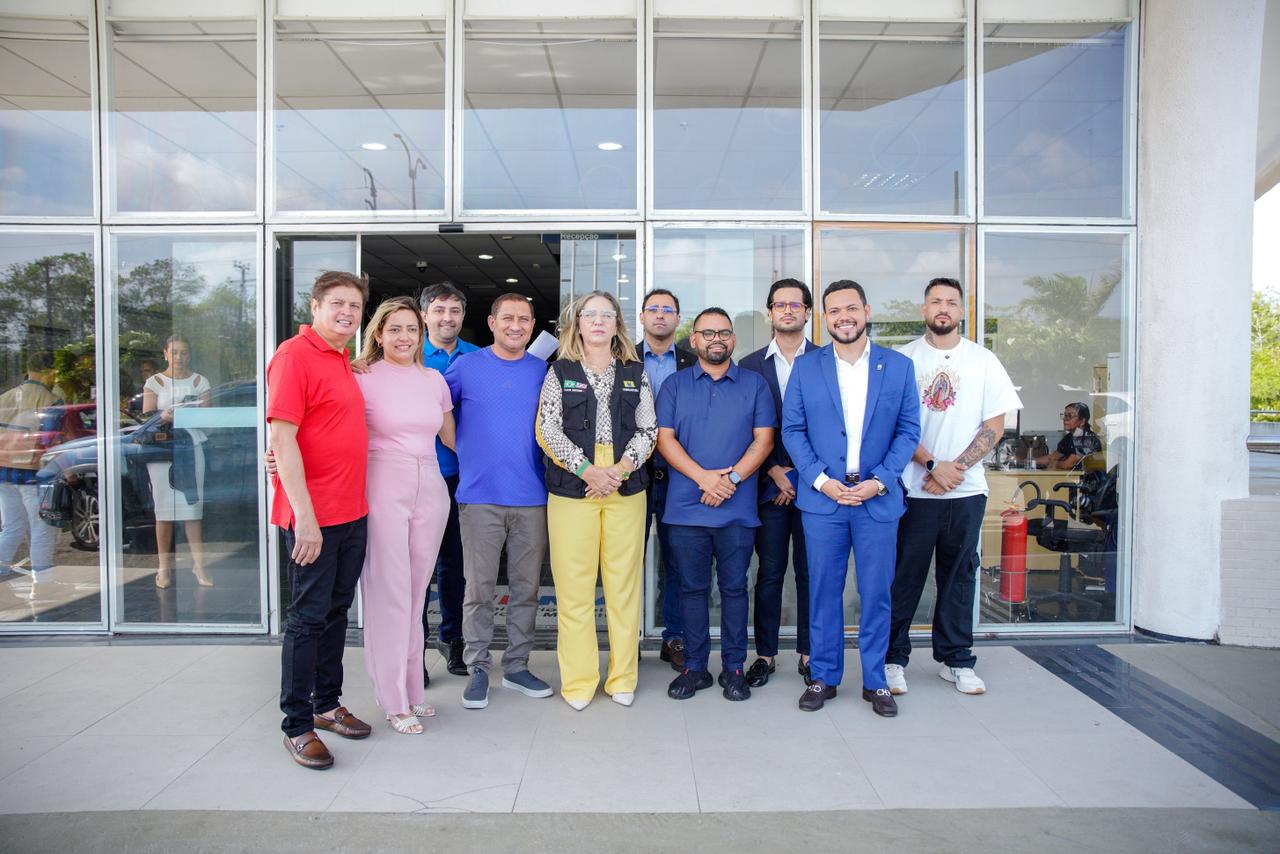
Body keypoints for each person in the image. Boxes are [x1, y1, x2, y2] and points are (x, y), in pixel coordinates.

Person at [781, 280, 919, 717]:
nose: (844, 317)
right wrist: (821, 480)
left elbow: (908, 432)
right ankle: (823, 676)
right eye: (835, 310)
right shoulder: (807, 367)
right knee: (823, 591)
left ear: (866, 311)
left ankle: (876, 680)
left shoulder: (898, 367)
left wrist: (880, 481)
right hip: (825, 500)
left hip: (876, 499)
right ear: (824, 317)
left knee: (876, 593)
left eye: (851, 308)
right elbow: (792, 430)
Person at [886, 277, 1023, 698]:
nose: (943, 308)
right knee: (904, 577)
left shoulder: (983, 361)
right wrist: (932, 465)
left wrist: (955, 469)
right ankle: (893, 659)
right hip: (914, 490)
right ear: (923, 310)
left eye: (951, 302)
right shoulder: (903, 359)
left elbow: (995, 425)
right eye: (935, 301)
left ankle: (957, 660)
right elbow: (894, 424)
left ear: (962, 311)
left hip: (966, 491)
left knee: (960, 577)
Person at [269, 271, 373, 770]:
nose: (347, 312)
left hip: (352, 512)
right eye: (337, 303)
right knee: (307, 620)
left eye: (355, 306)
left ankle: (327, 705)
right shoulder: (294, 355)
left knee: (335, 614)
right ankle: (297, 725)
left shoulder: (342, 360)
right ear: (315, 307)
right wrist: (305, 519)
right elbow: (281, 437)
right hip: (314, 518)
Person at [536, 291, 656, 710]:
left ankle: (622, 678)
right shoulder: (559, 371)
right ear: (578, 323)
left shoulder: (635, 372)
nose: (599, 321)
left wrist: (617, 471)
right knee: (574, 588)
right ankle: (579, 681)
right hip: (574, 486)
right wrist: (588, 470)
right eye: (591, 315)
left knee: (623, 587)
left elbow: (649, 429)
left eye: (607, 314)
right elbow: (547, 429)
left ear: (618, 323)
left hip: (625, 483)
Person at [656, 308, 774, 702]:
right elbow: (664, 439)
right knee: (691, 589)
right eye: (707, 333)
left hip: (737, 510)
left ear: (733, 339)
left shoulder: (755, 384)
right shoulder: (674, 385)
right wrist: (705, 479)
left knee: (734, 589)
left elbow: (764, 440)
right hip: (686, 509)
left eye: (723, 332)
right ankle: (694, 668)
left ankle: (734, 668)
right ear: (694, 340)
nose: (716, 339)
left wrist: (731, 480)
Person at [446, 293, 554, 710]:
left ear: (532, 325)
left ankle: (516, 666)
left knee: (527, 589)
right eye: (507, 318)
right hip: (480, 498)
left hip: (532, 498)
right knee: (479, 589)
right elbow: (435, 406)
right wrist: (461, 448)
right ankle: (477, 667)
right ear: (491, 322)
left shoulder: (544, 371)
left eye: (524, 319)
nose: (516, 326)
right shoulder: (466, 366)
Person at [355, 296, 457, 734]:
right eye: (394, 329)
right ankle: (393, 699)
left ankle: (413, 690)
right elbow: (332, 428)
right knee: (389, 594)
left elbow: (452, 438)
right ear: (378, 334)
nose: (404, 337)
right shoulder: (361, 377)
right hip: (383, 482)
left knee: (416, 595)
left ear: (421, 334)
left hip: (431, 485)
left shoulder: (434, 379)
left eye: (411, 329)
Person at [739, 279, 817, 688]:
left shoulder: (827, 360)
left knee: (811, 573)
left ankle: (809, 653)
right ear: (770, 312)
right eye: (780, 304)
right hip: (767, 489)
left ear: (807, 312)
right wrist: (772, 470)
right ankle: (765, 655)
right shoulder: (749, 365)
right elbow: (742, 427)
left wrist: (801, 475)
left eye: (795, 304)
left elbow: (833, 428)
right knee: (768, 574)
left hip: (816, 488)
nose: (787, 310)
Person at [418, 281, 479, 682]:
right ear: (424, 315)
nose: (447, 318)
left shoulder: (478, 357)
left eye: (454, 310)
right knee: (417, 566)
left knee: (456, 564)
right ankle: (414, 652)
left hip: (463, 476)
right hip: (419, 475)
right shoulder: (406, 354)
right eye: (439, 310)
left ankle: (452, 638)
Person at [639, 288, 695, 670]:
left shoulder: (693, 362)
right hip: (633, 477)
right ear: (642, 316)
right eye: (653, 309)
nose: (660, 315)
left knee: (678, 563)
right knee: (626, 561)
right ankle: (627, 638)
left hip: (680, 477)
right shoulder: (622, 358)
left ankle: (674, 636)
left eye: (667, 310)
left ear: (678, 318)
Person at [141, 335, 213, 589]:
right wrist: (166, 416)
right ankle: (163, 568)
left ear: (189, 354)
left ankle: (198, 565)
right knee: (163, 509)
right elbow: (148, 418)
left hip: (191, 446)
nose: (179, 357)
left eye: (184, 352)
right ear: (165, 353)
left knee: (192, 507)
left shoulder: (200, 381)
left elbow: (208, 416)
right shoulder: (154, 382)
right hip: (163, 450)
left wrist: (183, 416)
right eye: (174, 352)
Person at [0, 351, 63, 587]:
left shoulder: (5, 397)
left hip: (3, 470)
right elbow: (48, 441)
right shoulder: (50, 400)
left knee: (12, 527)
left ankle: (1, 568)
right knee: (42, 528)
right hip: (33, 473)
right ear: (49, 372)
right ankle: (43, 580)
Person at [1036, 402, 1102, 470]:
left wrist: (1054, 464)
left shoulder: (1086, 439)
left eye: (1070, 416)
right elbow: (1053, 457)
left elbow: (1067, 464)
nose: (1065, 419)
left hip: (1089, 476)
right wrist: (1031, 461)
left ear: (1082, 421)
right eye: (1065, 415)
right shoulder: (1069, 438)